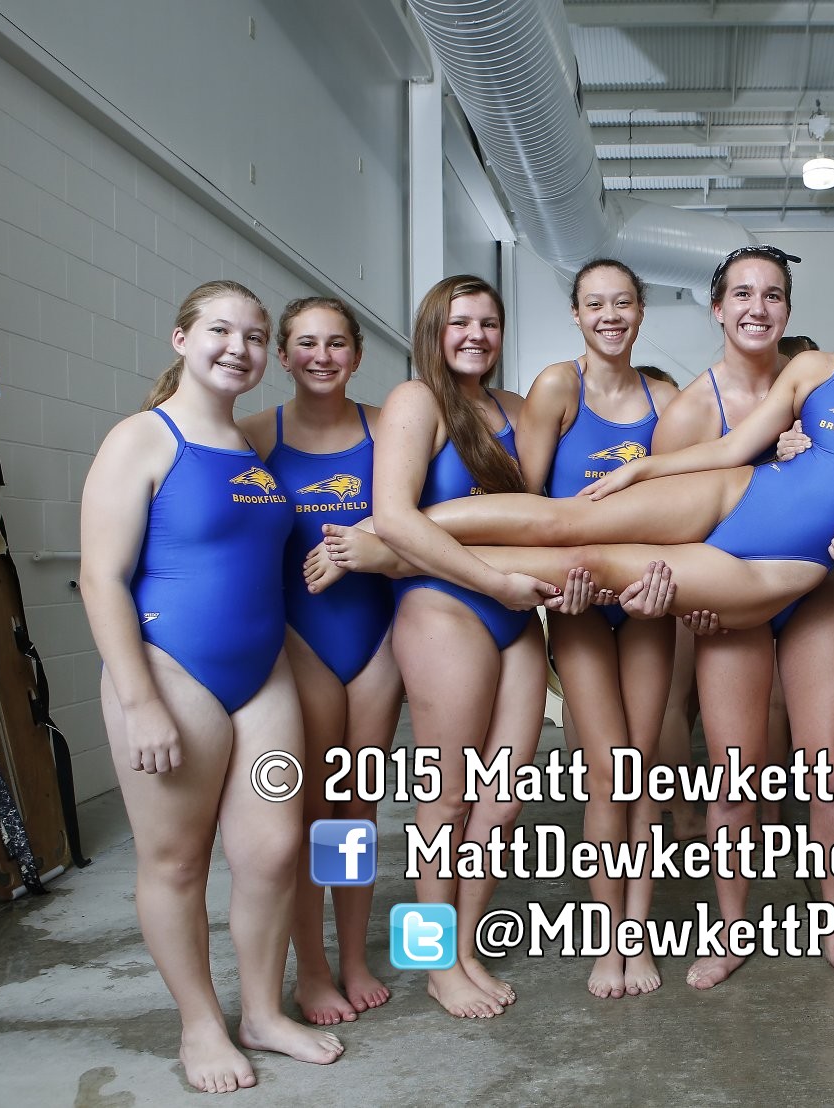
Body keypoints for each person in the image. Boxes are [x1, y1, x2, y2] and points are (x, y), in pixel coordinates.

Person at [312, 262, 834, 628]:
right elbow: (738, 445)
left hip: (775, 563)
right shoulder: (811, 368)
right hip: (746, 489)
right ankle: (388, 529)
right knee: (562, 518)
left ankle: (399, 552)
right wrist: (644, 467)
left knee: (585, 563)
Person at [79, 280, 344, 1093]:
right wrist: (140, 700)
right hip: (171, 673)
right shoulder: (142, 439)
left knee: (271, 852)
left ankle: (263, 1012)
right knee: (178, 862)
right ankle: (201, 1024)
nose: (240, 347)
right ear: (181, 338)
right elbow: (99, 577)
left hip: (261, 679)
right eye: (221, 331)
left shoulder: (250, 453)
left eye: (256, 336)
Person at [649, 245, 834, 989]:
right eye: (742, 294)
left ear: (788, 308)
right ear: (716, 308)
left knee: (833, 772)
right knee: (732, 779)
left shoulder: (825, 386)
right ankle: (730, 932)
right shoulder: (690, 410)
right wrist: (695, 609)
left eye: (773, 294)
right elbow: (663, 533)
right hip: (731, 613)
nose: (757, 307)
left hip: (815, 596)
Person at [367, 274, 593, 1020]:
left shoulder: (521, 411)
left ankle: (465, 948)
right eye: (460, 322)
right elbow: (395, 520)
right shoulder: (416, 402)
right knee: (444, 804)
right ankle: (431, 963)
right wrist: (494, 584)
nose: (475, 335)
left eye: (489, 323)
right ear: (433, 328)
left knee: (499, 806)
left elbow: (548, 517)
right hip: (446, 608)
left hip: (516, 616)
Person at [514, 259, 681, 999]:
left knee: (645, 769)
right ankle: (605, 937)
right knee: (609, 771)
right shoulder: (558, 387)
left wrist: (665, 583)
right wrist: (552, 588)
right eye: (595, 304)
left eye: (623, 301)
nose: (610, 314)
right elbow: (526, 503)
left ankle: (635, 937)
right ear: (576, 315)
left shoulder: (665, 397)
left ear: (641, 311)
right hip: (578, 603)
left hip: (644, 601)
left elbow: (685, 501)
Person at [239, 297, 402, 1026]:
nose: (322, 356)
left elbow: (424, 522)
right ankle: (309, 968)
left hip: (376, 640)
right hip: (300, 641)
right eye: (306, 344)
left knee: (356, 814)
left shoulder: (386, 432)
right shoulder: (255, 434)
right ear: (282, 355)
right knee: (310, 815)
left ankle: (355, 953)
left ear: (357, 355)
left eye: (337, 344)